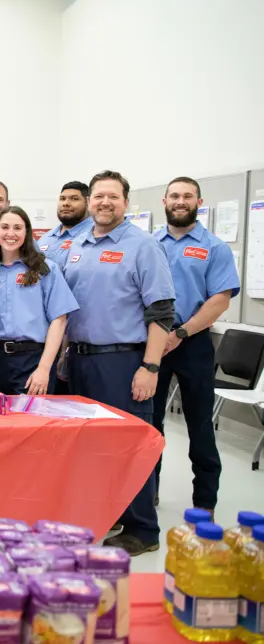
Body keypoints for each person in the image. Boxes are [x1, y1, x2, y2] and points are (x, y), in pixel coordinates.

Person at [61, 170, 176, 556]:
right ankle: (111, 513)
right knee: (92, 449)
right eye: (98, 197)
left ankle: (143, 528)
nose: (104, 203)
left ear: (126, 203)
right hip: (79, 361)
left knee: (130, 445)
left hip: (124, 362)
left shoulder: (143, 246)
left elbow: (161, 311)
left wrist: (151, 366)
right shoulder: (76, 244)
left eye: (113, 196)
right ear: (89, 201)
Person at [151, 177, 239, 515]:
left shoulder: (214, 247)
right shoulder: (149, 244)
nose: (180, 201)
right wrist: (160, 337)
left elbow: (219, 302)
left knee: (200, 425)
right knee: (150, 423)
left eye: (187, 196)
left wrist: (181, 334)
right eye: (174, 195)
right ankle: (149, 493)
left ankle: (205, 503)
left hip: (193, 343)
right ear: (164, 201)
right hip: (153, 344)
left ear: (199, 202)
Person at [0, 207, 78, 396]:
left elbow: (59, 320)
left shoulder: (44, 269)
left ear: (27, 232)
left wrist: (43, 369)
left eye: (17, 228)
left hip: (33, 361)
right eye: (5, 227)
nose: (11, 233)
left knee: (31, 421)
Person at [38, 181, 94, 268]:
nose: (66, 203)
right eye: (62, 198)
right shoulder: (45, 238)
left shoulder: (94, 235)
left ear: (88, 203)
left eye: (74, 199)